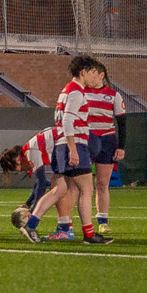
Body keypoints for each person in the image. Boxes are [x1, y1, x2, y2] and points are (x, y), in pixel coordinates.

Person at [48, 54, 110, 244]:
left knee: (68, 188)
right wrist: (73, 149)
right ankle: (89, 234)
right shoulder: (76, 91)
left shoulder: (66, 90)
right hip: (74, 145)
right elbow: (67, 120)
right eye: (93, 72)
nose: (96, 77)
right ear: (83, 72)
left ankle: (64, 228)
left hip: (66, 144)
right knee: (86, 189)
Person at [84, 62, 124, 237]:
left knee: (102, 183)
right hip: (85, 139)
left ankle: (102, 221)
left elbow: (122, 124)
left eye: (93, 73)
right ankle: (73, 223)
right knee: (81, 185)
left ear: (101, 75)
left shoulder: (114, 96)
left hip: (107, 140)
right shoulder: (81, 92)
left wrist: (121, 147)